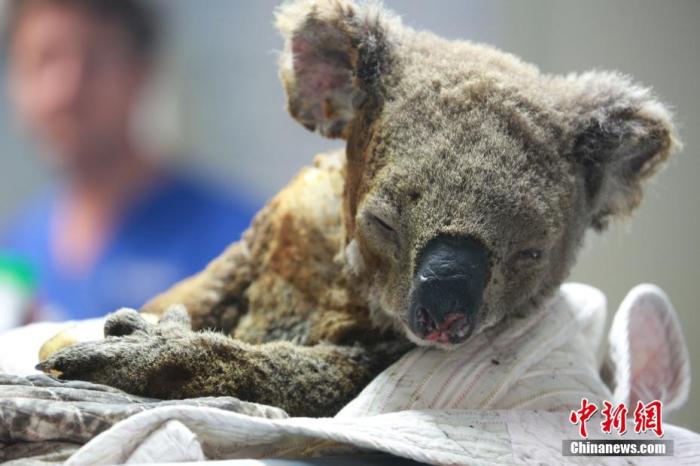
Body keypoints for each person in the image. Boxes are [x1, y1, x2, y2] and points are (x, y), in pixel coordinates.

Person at [0, 0, 257, 326]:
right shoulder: (15, 254)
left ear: (142, 72)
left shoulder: (237, 243)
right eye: (43, 60)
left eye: (93, 61)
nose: (64, 91)